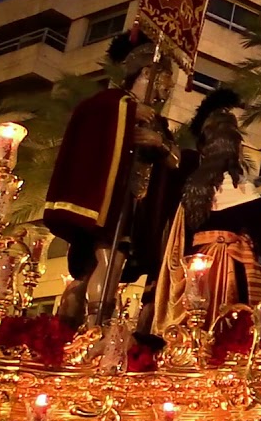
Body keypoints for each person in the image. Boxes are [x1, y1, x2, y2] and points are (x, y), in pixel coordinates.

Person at [44, 31, 184, 329]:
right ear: (147, 72)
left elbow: (175, 160)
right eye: (163, 80)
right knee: (109, 263)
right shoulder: (111, 102)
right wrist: (131, 111)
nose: (165, 90)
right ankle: (95, 328)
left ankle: (89, 325)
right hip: (108, 200)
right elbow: (93, 124)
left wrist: (159, 143)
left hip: (136, 202)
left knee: (113, 264)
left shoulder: (156, 120)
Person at [153, 89, 261, 332]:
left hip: (197, 270)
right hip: (233, 270)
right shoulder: (241, 189)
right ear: (235, 149)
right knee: (233, 326)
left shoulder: (191, 189)